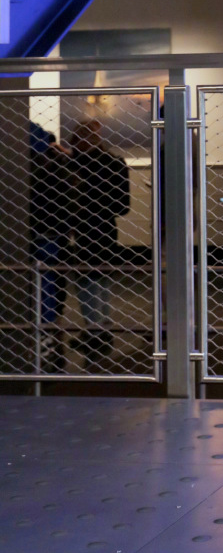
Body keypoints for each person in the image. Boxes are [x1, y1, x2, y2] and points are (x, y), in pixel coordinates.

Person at [68, 119, 130, 367]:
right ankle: (103, 328)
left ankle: (93, 330)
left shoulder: (77, 165)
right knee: (102, 278)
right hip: (106, 227)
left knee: (85, 280)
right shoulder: (115, 162)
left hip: (84, 228)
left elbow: (72, 198)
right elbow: (123, 206)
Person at [29, 124, 73, 372]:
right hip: (52, 232)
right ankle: (45, 341)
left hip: (34, 231)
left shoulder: (24, 165)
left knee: (37, 284)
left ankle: (40, 339)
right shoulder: (57, 165)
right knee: (47, 283)